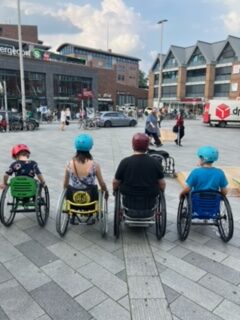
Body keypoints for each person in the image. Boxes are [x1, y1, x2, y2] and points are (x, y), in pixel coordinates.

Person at [113, 133, 166, 211]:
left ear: (133, 145)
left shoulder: (125, 162)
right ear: (147, 146)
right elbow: (162, 183)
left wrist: (114, 190)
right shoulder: (155, 162)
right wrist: (162, 191)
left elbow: (115, 182)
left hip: (129, 199)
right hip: (149, 201)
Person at [63, 133, 109, 224]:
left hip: (73, 199)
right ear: (90, 147)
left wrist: (66, 194)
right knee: (98, 190)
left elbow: (65, 184)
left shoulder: (69, 164)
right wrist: (105, 191)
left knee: (69, 188)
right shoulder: (95, 165)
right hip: (91, 200)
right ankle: (92, 213)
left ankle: (73, 213)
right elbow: (102, 184)